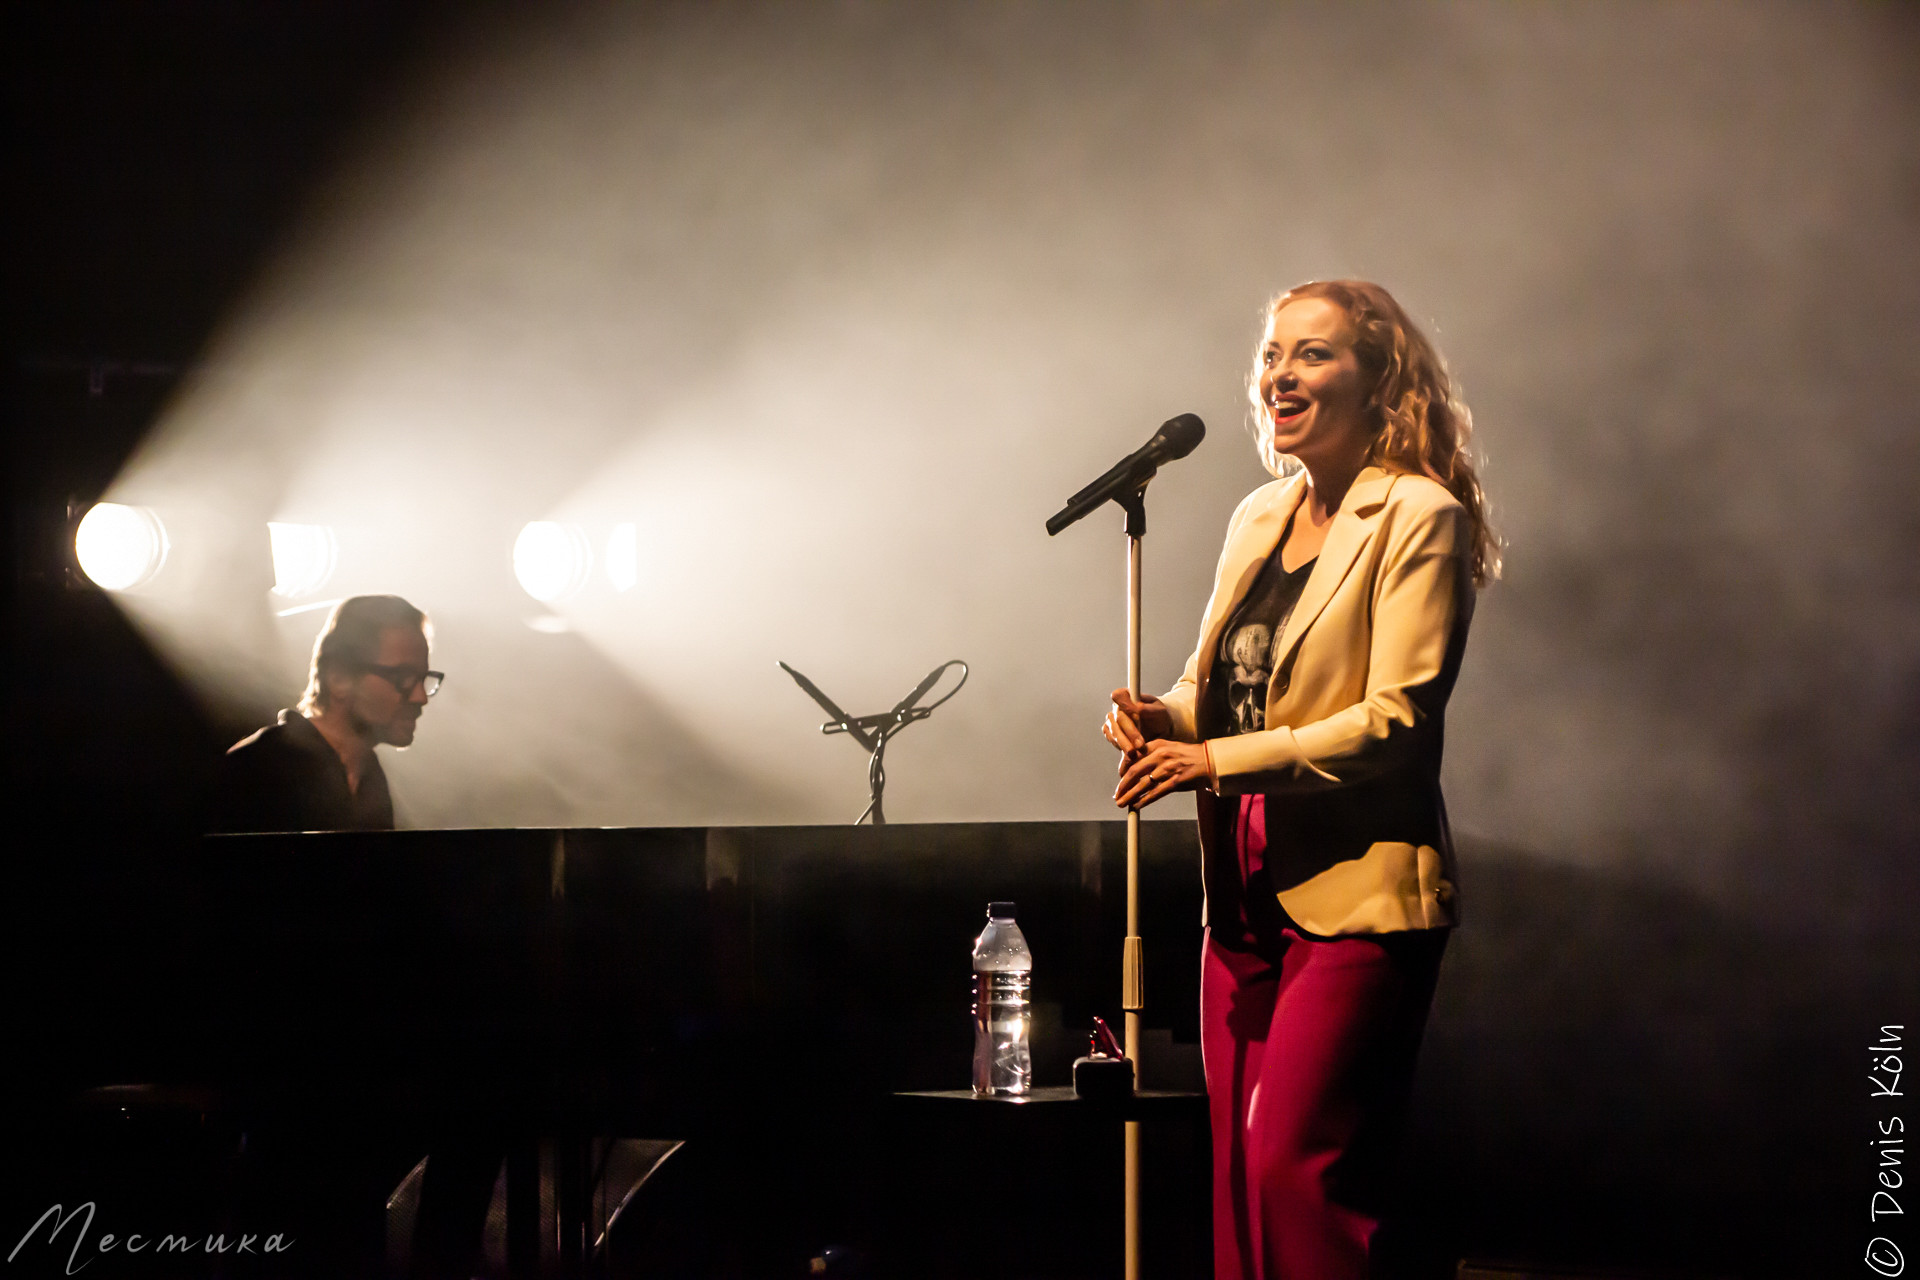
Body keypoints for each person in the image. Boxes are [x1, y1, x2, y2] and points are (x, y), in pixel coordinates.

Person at [1102, 280, 1498, 1280]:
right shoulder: (1259, 514)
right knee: (1236, 1175)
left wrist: (1213, 758)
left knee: (1295, 1169)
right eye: (1273, 354)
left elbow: (1394, 721)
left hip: (1358, 889)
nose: (1280, 373)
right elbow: (1220, 685)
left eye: (1313, 354)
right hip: (1239, 889)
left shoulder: (1420, 514)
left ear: (1380, 379)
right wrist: (1163, 715)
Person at [211, 594, 441, 833]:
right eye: (402, 677)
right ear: (339, 678)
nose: (420, 697)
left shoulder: (370, 776)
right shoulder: (256, 768)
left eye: (422, 679)